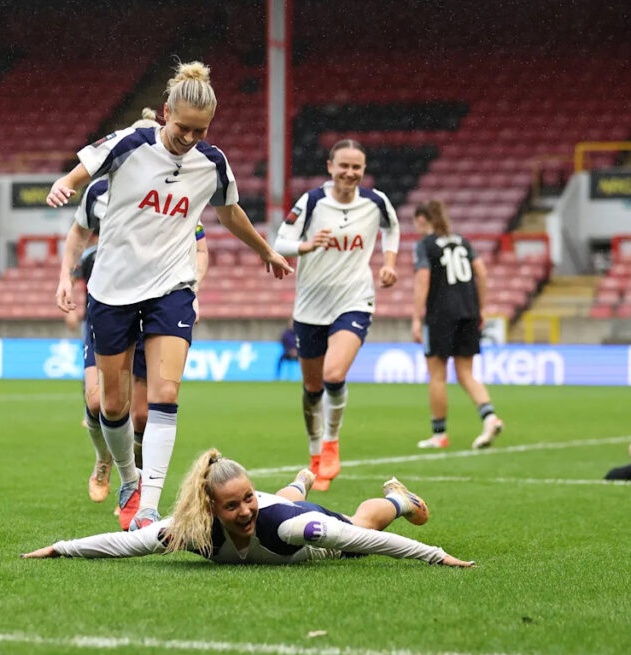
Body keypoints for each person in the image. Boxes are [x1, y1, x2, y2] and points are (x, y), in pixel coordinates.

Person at [49, 61, 292, 531]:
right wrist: (65, 183)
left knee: (164, 394)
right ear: (165, 113)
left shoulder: (211, 162)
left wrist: (267, 251)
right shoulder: (129, 144)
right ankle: (127, 478)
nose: (189, 138)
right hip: (113, 289)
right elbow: (80, 174)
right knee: (113, 406)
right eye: (182, 127)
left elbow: (230, 211)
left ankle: (148, 508)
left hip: (171, 288)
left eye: (200, 131)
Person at [59, 111, 211, 504]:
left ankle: (139, 481)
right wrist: (64, 278)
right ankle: (104, 461)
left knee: (142, 414)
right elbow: (78, 233)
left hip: (157, 301)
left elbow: (199, 245)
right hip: (110, 300)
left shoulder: (176, 190)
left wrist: (192, 287)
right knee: (100, 402)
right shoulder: (98, 192)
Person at [21, 448, 474, 567]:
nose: (243, 510)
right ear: (210, 509)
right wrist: (60, 548)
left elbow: (365, 538)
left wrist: (435, 554)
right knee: (279, 504)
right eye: (232, 504)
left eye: (247, 497)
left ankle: (398, 498)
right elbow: (126, 543)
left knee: (356, 521)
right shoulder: (190, 530)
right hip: (281, 506)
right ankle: (297, 483)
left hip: (299, 526)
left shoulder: (294, 528)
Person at [272, 139, 400, 490]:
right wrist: (306, 246)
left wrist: (389, 264)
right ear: (330, 166)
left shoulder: (376, 202)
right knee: (312, 387)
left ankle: (331, 443)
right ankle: (315, 455)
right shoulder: (312, 201)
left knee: (333, 373)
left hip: (355, 300)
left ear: (363, 169)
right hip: (311, 306)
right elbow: (279, 242)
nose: (350, 172)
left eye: (356, 167)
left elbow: (392, 228)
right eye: (343, 165)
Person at [411, 200, 503, 450]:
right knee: (466, 373)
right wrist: (480, 307)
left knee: (437, 376)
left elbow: (422, 280)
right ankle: (490, 417)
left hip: (440, 315)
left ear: (421, 219)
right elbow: (481, 273)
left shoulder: (424, 246)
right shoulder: (462, 241)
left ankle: (439, 434)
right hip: (468, 312)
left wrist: (417, 317)